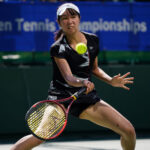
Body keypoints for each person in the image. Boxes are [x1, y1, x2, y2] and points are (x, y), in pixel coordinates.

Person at [11, 3, 136, 150]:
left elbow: (94, 68)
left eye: (73, 16)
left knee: (128, 131)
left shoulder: (93, 40)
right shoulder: (57, 48)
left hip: (86, 98)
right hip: (60, 98)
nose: (69, 21)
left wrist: (110, 80)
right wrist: (83, 82)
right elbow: (68, 77)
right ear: (59, 22)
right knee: (40, 136)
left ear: (79, 18)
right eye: (64, 18)